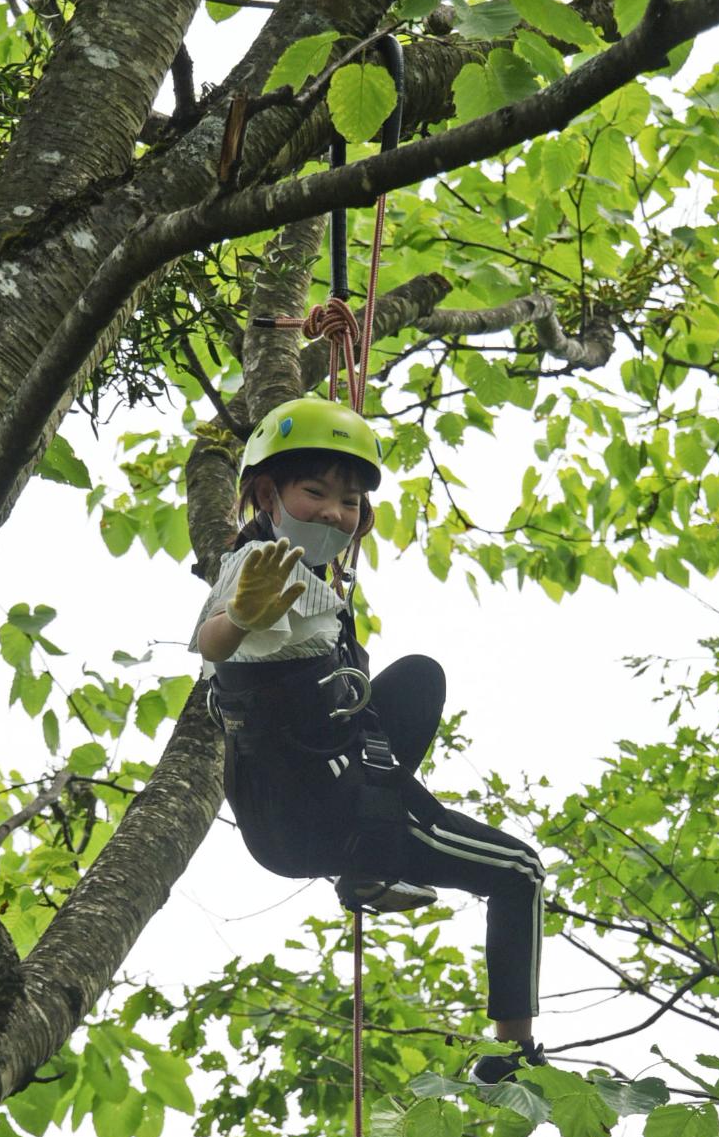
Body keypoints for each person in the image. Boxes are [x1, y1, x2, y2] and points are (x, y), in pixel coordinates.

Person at [191, 395, 545, 1084]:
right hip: (333, 807)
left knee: (414, 682)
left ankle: (370, 872)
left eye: (349, 502)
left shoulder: (306, 574)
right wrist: (236, 619)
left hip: (293, 810)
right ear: (267, 492)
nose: (333, 512)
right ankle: (516, 1052)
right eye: (314, 491)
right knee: (519, 873)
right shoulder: (262, 569)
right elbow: (215, 646)